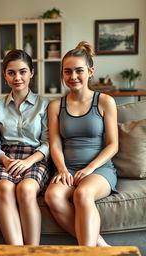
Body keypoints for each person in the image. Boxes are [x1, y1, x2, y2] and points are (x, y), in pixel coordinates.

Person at [44, 41, 118, 246]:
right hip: (68, 169)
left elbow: (113, 145)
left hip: (99, 170)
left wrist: (89, 168)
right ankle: (101, 246)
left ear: (90, 71)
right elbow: (55, 143)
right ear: (62, 74)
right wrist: (62, 169)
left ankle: (87, 251)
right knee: (52, 196)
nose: (73, 77)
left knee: (83, 194)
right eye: (67, 72)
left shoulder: (105, 101)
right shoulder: (56, 105)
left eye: (79, 71)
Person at [0, 49, 50, 245]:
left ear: (32, 73)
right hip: (5, 159)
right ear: (4, 75)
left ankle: (32, 250)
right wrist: (6, 160)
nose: (17, 77)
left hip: (34, 158)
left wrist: (27, 162)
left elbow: (49, 142)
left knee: (26, 189)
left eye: (23, 71)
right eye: (11, 72)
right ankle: (16, 251)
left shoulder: (45, 105)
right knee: (4, 188)